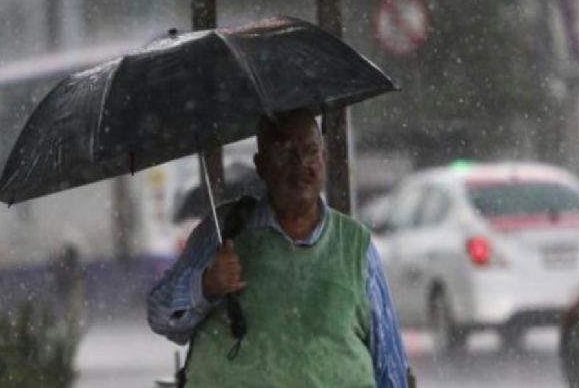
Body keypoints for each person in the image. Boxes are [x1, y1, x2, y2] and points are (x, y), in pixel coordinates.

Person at [147, 109, 410, 388]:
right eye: (284, 152)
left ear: (324, 157)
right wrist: (206, 285)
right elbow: (160, 316)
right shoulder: (223, 232)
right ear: (261, 165)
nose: (300, 164)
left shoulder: (357, 246)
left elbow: (389, 364)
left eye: (310, 151)